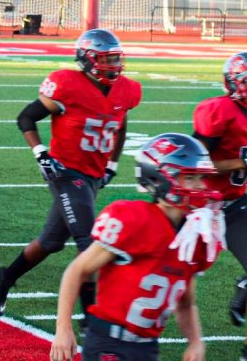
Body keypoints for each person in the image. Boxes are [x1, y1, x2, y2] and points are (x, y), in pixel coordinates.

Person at [0, 29, 142, 320]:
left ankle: (4, 278)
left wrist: (112, 164)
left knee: (50, 242)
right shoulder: (67, 85)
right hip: (65, 170)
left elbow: (120, 126)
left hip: (93, 173)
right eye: (105, 59)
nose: (112, 64)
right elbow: (26, 117)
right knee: (88, 239)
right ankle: (91, 315)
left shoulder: (128, 90)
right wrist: (40, 153)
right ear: (86, 60)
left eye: (114, 58)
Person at [50, 133, 224, 361]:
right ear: (160, 178)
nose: (200, 186)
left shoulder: (193, 235)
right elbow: (77, 270)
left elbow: (186, 303)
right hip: (108, 343)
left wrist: (195, 341)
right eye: (190, 178)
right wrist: (63, 328)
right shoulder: (133, 219)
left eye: (201, 177)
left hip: (146, 348)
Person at [193, 52, 247, 360]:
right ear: (233, 83)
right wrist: (240, 162)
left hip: (238, 203)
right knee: (165, 273)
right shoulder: (220, 110)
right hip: (201, 206)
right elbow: (193, 163)